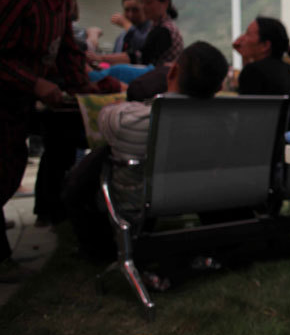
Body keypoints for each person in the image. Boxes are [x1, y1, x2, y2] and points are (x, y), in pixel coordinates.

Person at [64, 42, 229, 260]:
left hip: (138, 203)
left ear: (173, 71)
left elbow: (103, 118)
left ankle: (96, 249)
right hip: (198, 197)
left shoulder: (130, 120)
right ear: (217, 89)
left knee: (102, 155)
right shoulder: (226, 123)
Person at [0, 0, 98, 278]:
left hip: (18, 101)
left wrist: (87, 89)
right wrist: (35, 82)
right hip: (8, 94)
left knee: (10, 168)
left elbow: (68, 50)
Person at [90, 0, 183, 67]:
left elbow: (141, 56)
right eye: (141, 2)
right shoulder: (156, 27)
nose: (144, 7)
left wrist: (100, 57)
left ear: (165, 3)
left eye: (148, 2)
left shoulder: (165, 29)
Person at [233, 16, 290, 96]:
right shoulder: (289, 71)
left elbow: (246, 105)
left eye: (248, 34)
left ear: (265, 45)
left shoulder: (253, 71)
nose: (242, 38)